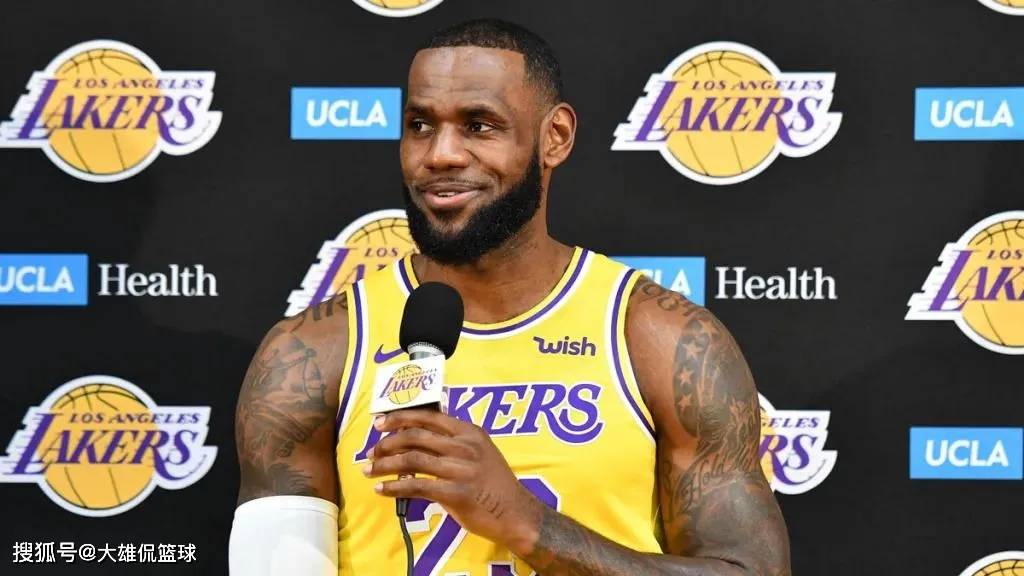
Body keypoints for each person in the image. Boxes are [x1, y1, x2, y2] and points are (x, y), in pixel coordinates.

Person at [229, 18, 790, 576]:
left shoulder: (661, 339)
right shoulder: (313, 351)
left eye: (479, 126)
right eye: (420, 125)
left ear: (555, 137)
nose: (441, 154)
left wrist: (523, 521)